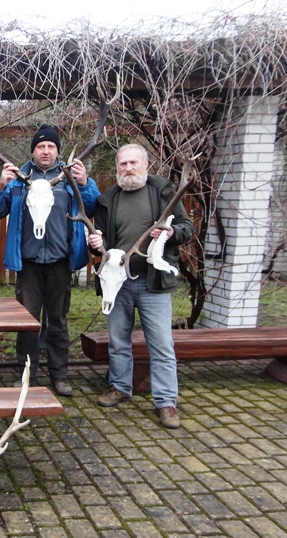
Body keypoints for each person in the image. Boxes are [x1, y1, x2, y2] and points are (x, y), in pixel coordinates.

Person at [0, 124, 100, 396]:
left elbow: (94, 206)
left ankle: (59, 375)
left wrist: (85, 183)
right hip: (29, 264)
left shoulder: (69, 178)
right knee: (27, 321)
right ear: (33, 150)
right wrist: (0, 185)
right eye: (40, 146)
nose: (45, 151)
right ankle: (26, 374)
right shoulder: (18, 179)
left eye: (50, 146)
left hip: (60, 261)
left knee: (58, 320)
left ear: (57, 150)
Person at [87, 144, 194, 429]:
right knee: (118, 341)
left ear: (146, 165)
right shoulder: (108, 199)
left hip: (152, 283)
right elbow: (103, 244)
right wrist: (97, 244)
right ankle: (120, 387)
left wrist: (170, 233)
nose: (128, 168)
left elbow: (187, 228)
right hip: (118, 281)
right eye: (123, 164)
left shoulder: (163, 192)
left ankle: (166, 402)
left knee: (161, 344)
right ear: (117, 167)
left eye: (134, 163)